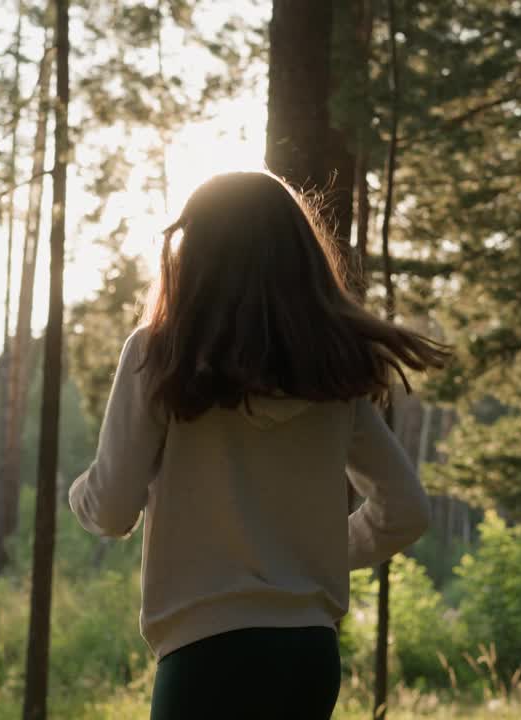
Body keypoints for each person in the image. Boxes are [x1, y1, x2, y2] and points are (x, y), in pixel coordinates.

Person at [67, 171, 449, 719]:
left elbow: (110, 507)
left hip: (208, 655)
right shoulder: (330, 370)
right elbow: (405, 510)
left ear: (194, 249)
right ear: (299, 255)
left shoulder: (161, 354)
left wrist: (78, 492)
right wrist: (301, 556)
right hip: (308, 656)